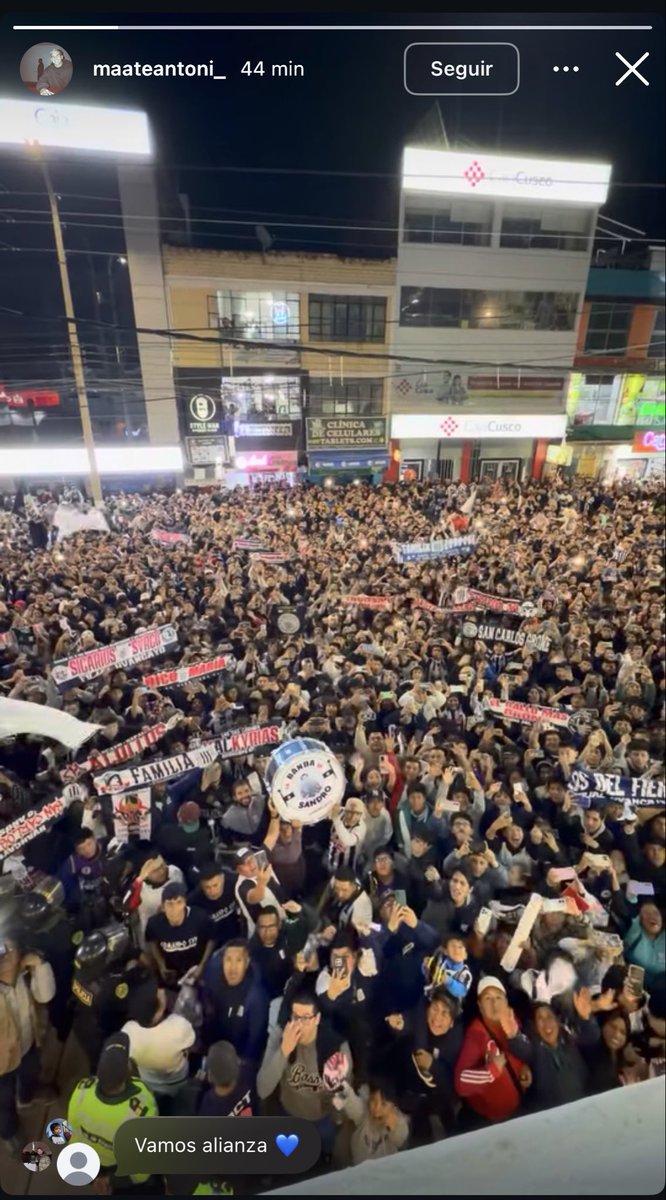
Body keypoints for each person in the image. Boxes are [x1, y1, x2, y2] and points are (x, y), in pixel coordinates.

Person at [67, 1032, 158, 1185]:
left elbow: (73, 1131)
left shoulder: (82, 1090)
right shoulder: (143, 1108)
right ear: (127, 1069)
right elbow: (142, 1168)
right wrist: (117, 1182)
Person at [0, 941, 55, 1153]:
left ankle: (27, 1096)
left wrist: (40, 965)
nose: (5, 957)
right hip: (2, 1061)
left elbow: (45, 995)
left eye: (7, 949)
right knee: (3, 1101)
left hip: (27, 1041)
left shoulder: (23, 974)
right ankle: (9, 1131)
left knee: (31, 1071)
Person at [454, 977, 530, 1128]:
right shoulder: (476, 1034)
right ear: (480, 1006)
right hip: (494, 1121)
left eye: (498, 997)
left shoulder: (513, 1019)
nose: (494, 1004)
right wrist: (491, 1071)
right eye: (488, 998)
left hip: (522, 1108)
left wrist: (525, 1067)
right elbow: (460, 1083)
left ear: (506, 1001)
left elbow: (528, 1051)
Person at [144, 881, 216, 987]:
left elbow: (212, 939)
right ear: (163, 907)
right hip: (173, 973)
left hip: (197, 970)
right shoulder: (154, 923)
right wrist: (161, 965)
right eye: (170, 904)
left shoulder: (200, 918)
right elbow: (151, 940)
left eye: (179, 902)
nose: (174, 909)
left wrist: (202, 965)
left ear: (185, 903)